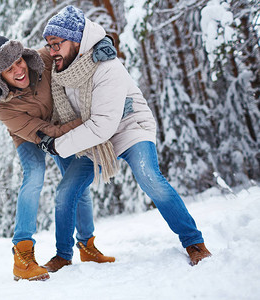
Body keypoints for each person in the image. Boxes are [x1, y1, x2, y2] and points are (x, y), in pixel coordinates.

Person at [37, 5, 212, 266]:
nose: (52, 51)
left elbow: (102, 124)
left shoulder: (106, 65)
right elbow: (28, 64)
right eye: (48, 45)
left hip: (130, 126)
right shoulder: (60, 69)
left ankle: (194, 242)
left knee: (149, 177)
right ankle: (63, 254)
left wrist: (59, 145)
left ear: (76, 40)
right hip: (98, 139)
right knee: (65, 191)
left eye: (56, 44)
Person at [0, 36, 116, 281]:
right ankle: (23, 256)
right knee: (34, 176)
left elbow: (71, 46)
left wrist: (102, 41)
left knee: (75, 183)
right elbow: (45, 133)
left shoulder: (41, 59)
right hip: (31, 134)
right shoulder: (4, 107)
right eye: (9, 70)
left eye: (18, 62)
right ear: (0, 77)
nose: (19, 70)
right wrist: (88, 120)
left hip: (58, 123)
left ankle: (87, 246)